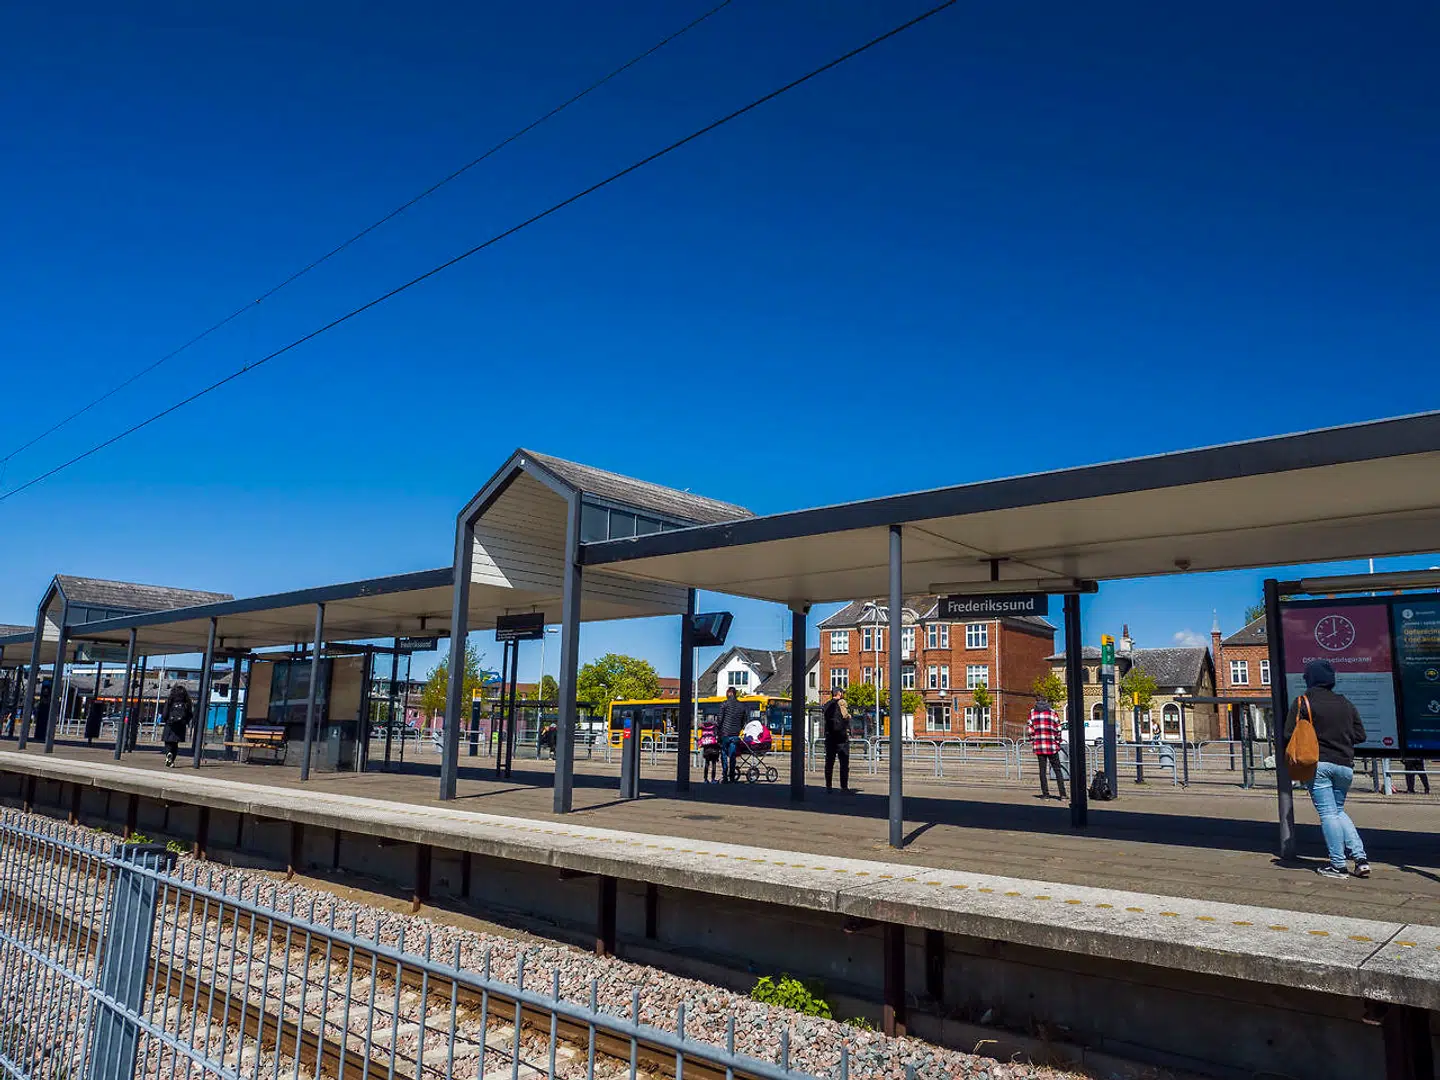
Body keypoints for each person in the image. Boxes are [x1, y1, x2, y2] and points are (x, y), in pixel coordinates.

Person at [1285, 660, 1370, 879]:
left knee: (1328, 814)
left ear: (1309, 679)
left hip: (1319, 765)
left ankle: (1338, 865)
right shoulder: (1345, 703)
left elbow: (1288, 733)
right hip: (1345, 765)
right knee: (1338, 811)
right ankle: (1360, 859)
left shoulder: (1303, 702)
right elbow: (1360, 735)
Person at [1027, 696, 1066, 800]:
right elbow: (1058, 728)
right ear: (1046, 701)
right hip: (1052, 746)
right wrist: (1057, 741)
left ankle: (1046, 794)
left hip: (1039, 747)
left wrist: (1033, 742)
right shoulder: (1052, 712)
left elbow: (1030, 731)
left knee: (1042, 771)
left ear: (1036, 701)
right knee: (1058, 770)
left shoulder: (1032, 713)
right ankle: (1063, 794)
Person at [821, 688, 853, 793]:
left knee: (829, 763)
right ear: (839, 693)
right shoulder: (841, 703)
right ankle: (844, 787)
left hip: (830, 737)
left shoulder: (826, 705)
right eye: (842, 692)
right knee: (844, 764)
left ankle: (828, 786)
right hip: (842, 738)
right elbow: (845, 717)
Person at [717, 687, 748, 784]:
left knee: (723, 754)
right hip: (735, 735)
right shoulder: (742, 706)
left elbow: (719, 719)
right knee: (733, 755)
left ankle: (725, 776)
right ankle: (732, 777)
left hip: (725, 734)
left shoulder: (724, 704)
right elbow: (744, 721)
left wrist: (718, 732)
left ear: (729, 693)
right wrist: (738, 729)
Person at [161, 683, 193, 768]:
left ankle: (168, 754)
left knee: (168, 742)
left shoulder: (170, 700)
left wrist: (165, 720)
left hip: (170, 724)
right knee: (175, 743)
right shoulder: (187, 702)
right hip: (180, 725)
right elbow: (190, 714)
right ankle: (172, 760)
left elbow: (165, 713)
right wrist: (185, 721)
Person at [699, 711, 721, 784]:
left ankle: (705, 779)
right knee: (714, 764)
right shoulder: (715, 727)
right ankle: (713, 779)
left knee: (707, 764)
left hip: (706, 749)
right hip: (714, 748)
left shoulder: (704, 727)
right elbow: (717, 737)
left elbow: (702, 738)